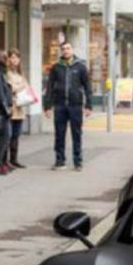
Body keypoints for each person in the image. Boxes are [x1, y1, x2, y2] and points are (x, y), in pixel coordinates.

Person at [43, 41, 92, 171]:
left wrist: (88, 105)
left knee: (77, 134)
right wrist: (47, 106)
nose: (66, 51)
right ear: (61, 51)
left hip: (75, 106)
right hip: (60, 106)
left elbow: (87, 87)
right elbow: (49, 87)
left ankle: (78, 162)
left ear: (72, 50)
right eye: (63, 49)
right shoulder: (56, 67)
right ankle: (60, 161)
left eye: (68, 48)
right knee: (59, 134)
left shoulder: (81, 67)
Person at [5, 48, 31, 169]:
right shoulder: (7, 73)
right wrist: (21, 86)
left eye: (17, 58)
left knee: (16, 135)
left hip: (20, 108)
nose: (15, 60)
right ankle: (4, 161)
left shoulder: (20, 73)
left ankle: (14, 159)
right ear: (9, 59)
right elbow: (12, 89)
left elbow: (27, 87)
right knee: (8, 135)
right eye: (12, 57)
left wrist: (19, 86)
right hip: (11, 107)